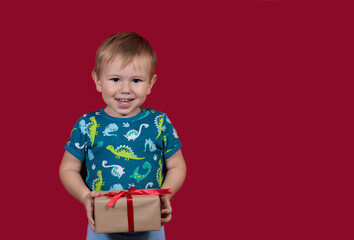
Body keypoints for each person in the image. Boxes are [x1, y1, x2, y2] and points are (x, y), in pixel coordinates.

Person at [59, 32, 187, 240]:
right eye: (115, 79)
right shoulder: (86, 124)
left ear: (150, 83)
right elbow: (68, 168)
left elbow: (177, 165)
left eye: (136, 80)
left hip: (150, 221)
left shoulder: (160, 122)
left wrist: (165, 195)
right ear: (98, 80)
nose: (125, 89)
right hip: (102, 220)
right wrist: (85, 197)